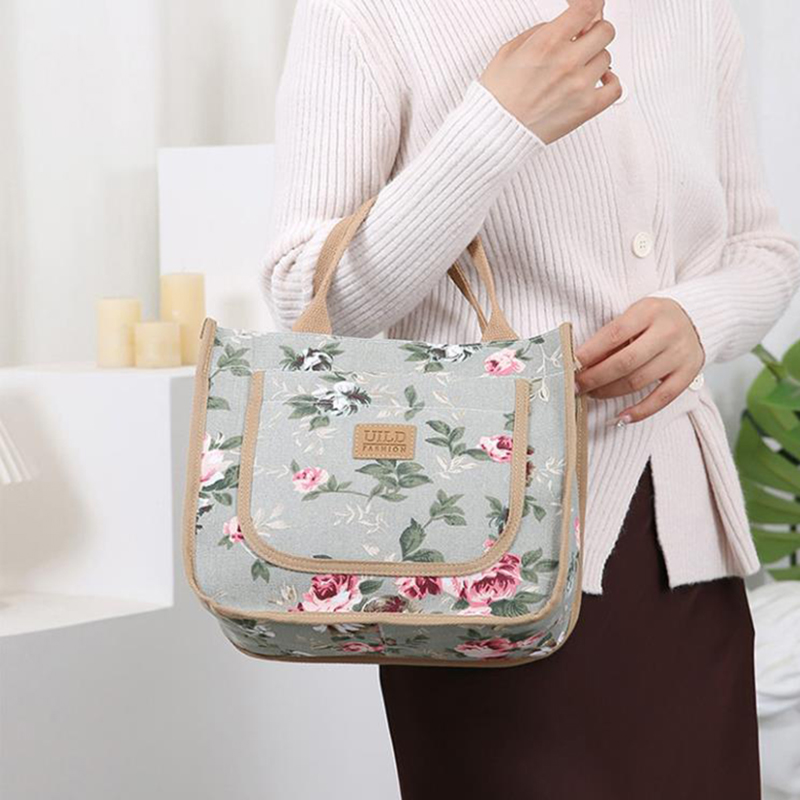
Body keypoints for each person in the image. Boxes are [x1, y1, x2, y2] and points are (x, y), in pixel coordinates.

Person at [262, 0, 800, 796]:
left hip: (682, 547)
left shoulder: (696, 10)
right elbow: (306, 298)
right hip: (484, 554)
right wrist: (495, 126)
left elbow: (762, 247)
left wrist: (700, 316)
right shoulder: (369, 11)